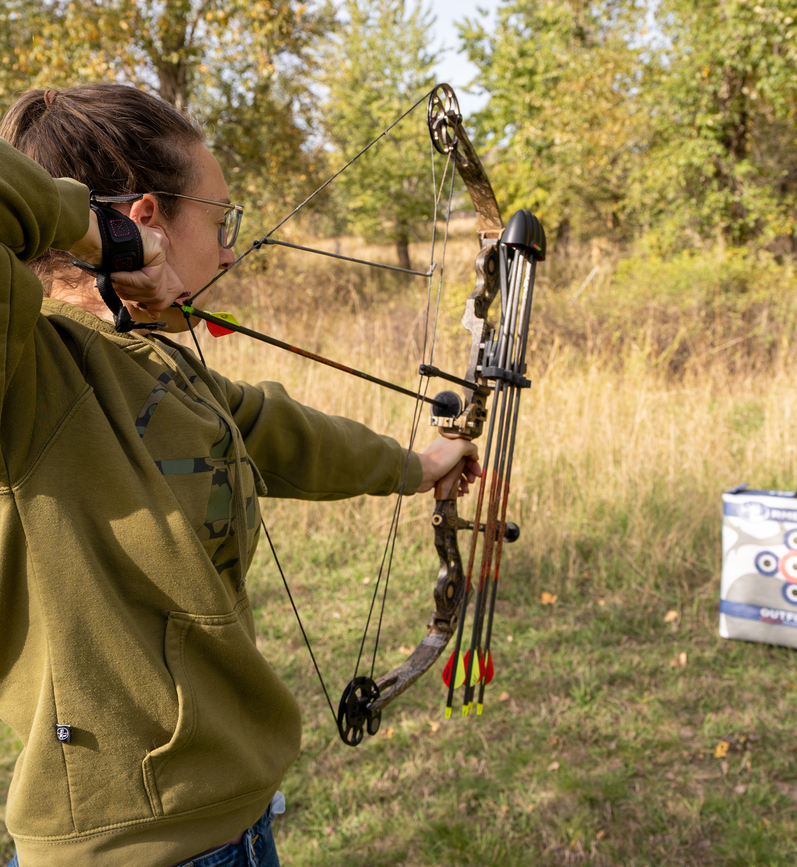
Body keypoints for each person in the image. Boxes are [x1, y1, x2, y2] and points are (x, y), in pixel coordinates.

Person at [0, 84, 479, 867]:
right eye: (220, 224)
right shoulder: (28, 372)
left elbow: (266, 428)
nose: (228, 254)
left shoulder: (151, 358)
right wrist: (96, 232)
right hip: (133, 844)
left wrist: (413, 466)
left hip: (231, 820)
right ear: (145, 221)